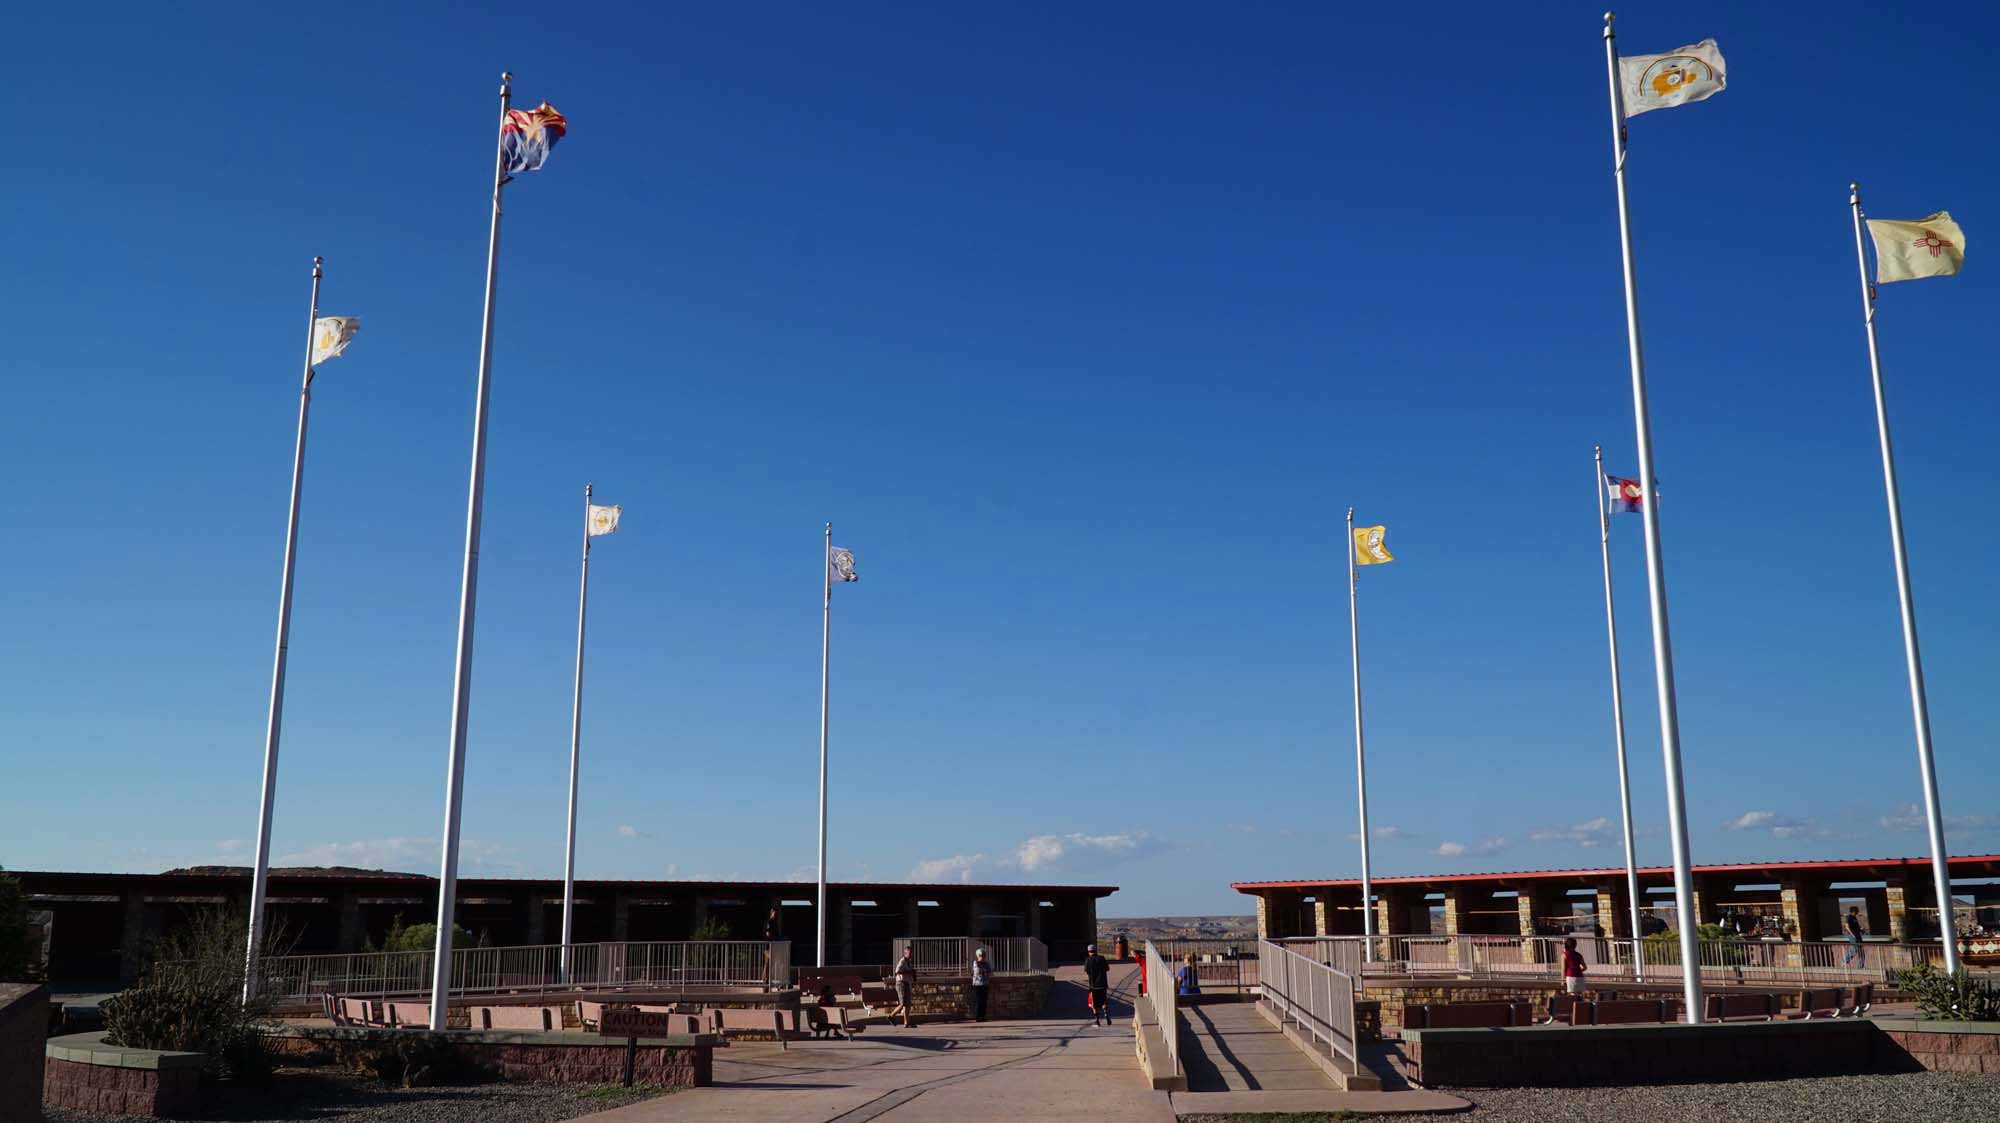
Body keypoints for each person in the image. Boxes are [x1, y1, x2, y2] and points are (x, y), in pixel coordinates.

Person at [1084, 944, 1111, 1026]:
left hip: (1093, 985)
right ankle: (1106, 1015)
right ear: (1096, 950)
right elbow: (1107, 969)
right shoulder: (1102, 958)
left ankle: (1097, 1020)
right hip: (1103, 984)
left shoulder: (1088, 960)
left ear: (1089, 951)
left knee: (1094, 1004)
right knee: (1104, 1000)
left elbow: (1086, 971)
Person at [892, 946, 917, 1027]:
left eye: (911, 954)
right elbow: (897, 971)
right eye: (909, 953)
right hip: (901, 983)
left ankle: (906, 1023)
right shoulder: (902, 961)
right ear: (905, 953)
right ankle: (891, 1016)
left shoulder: (909, 962)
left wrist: (912, 973)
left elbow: (910, 972)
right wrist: (908, 972)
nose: (910, 955)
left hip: (907, 983)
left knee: (908, 1005)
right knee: (903, 1003)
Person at [970, 947, 992, 1022]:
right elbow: (977, 971)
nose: (982, 957)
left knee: (984, 1001)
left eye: (983, 955)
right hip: (977, 984)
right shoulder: (975, 962)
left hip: (985, 984)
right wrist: (984, 970)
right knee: (979, 1001)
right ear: (978, 955)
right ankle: (978, 1017)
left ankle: (983, 1016)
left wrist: (984, 971)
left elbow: (990, 971)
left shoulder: (987, 963)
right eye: (981, 955)